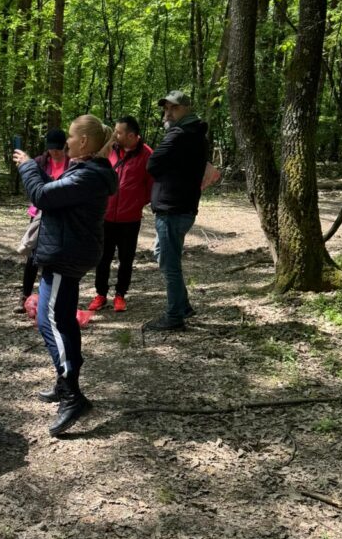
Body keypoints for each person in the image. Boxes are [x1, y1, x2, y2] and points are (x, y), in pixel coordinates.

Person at [14, 115, 117, 436]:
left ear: (83, 142)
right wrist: (35, 170)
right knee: (63, 320)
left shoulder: (89, 175)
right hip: (67, 252)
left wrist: (27, 167)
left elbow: (42, 196)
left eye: (70, 137)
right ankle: (65, 382)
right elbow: (54, 193)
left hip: (65, 255)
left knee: (50, 321)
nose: (66, 143)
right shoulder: (88, 171)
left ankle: (72, 394)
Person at [145, 90, 208, 331]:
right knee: (162, 253)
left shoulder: (179, 135)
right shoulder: (197, 135)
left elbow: (152, 164)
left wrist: (166, 169)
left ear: (187, 109)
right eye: (166, 108)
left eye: (174, 108)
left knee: (170, 265)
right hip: (183, 206)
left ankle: (174, 317)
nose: (168, 113)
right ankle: (183, 306)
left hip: (172, 208)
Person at [88, 115, 153, 313]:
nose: (115, 135)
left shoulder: (147, 154)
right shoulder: (109, 149)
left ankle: (120, 295)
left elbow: (151, 186)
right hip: (106, 216)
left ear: (131, 135)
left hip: (130, 219)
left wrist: (136, 203)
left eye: (119, 132)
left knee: (126, 259)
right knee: (102, 257)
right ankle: (100, 294)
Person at [15, 128, 70, 313]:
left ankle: (51, 298)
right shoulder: (40, 161)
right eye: (51, 149)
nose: (54, 153)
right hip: (38, 212)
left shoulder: (71, 163)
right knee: (33, 254)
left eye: (58, 149)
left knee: (54, 254)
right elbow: (31, 183)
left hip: (60, 214)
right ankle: (25, 295)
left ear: (65, 146)